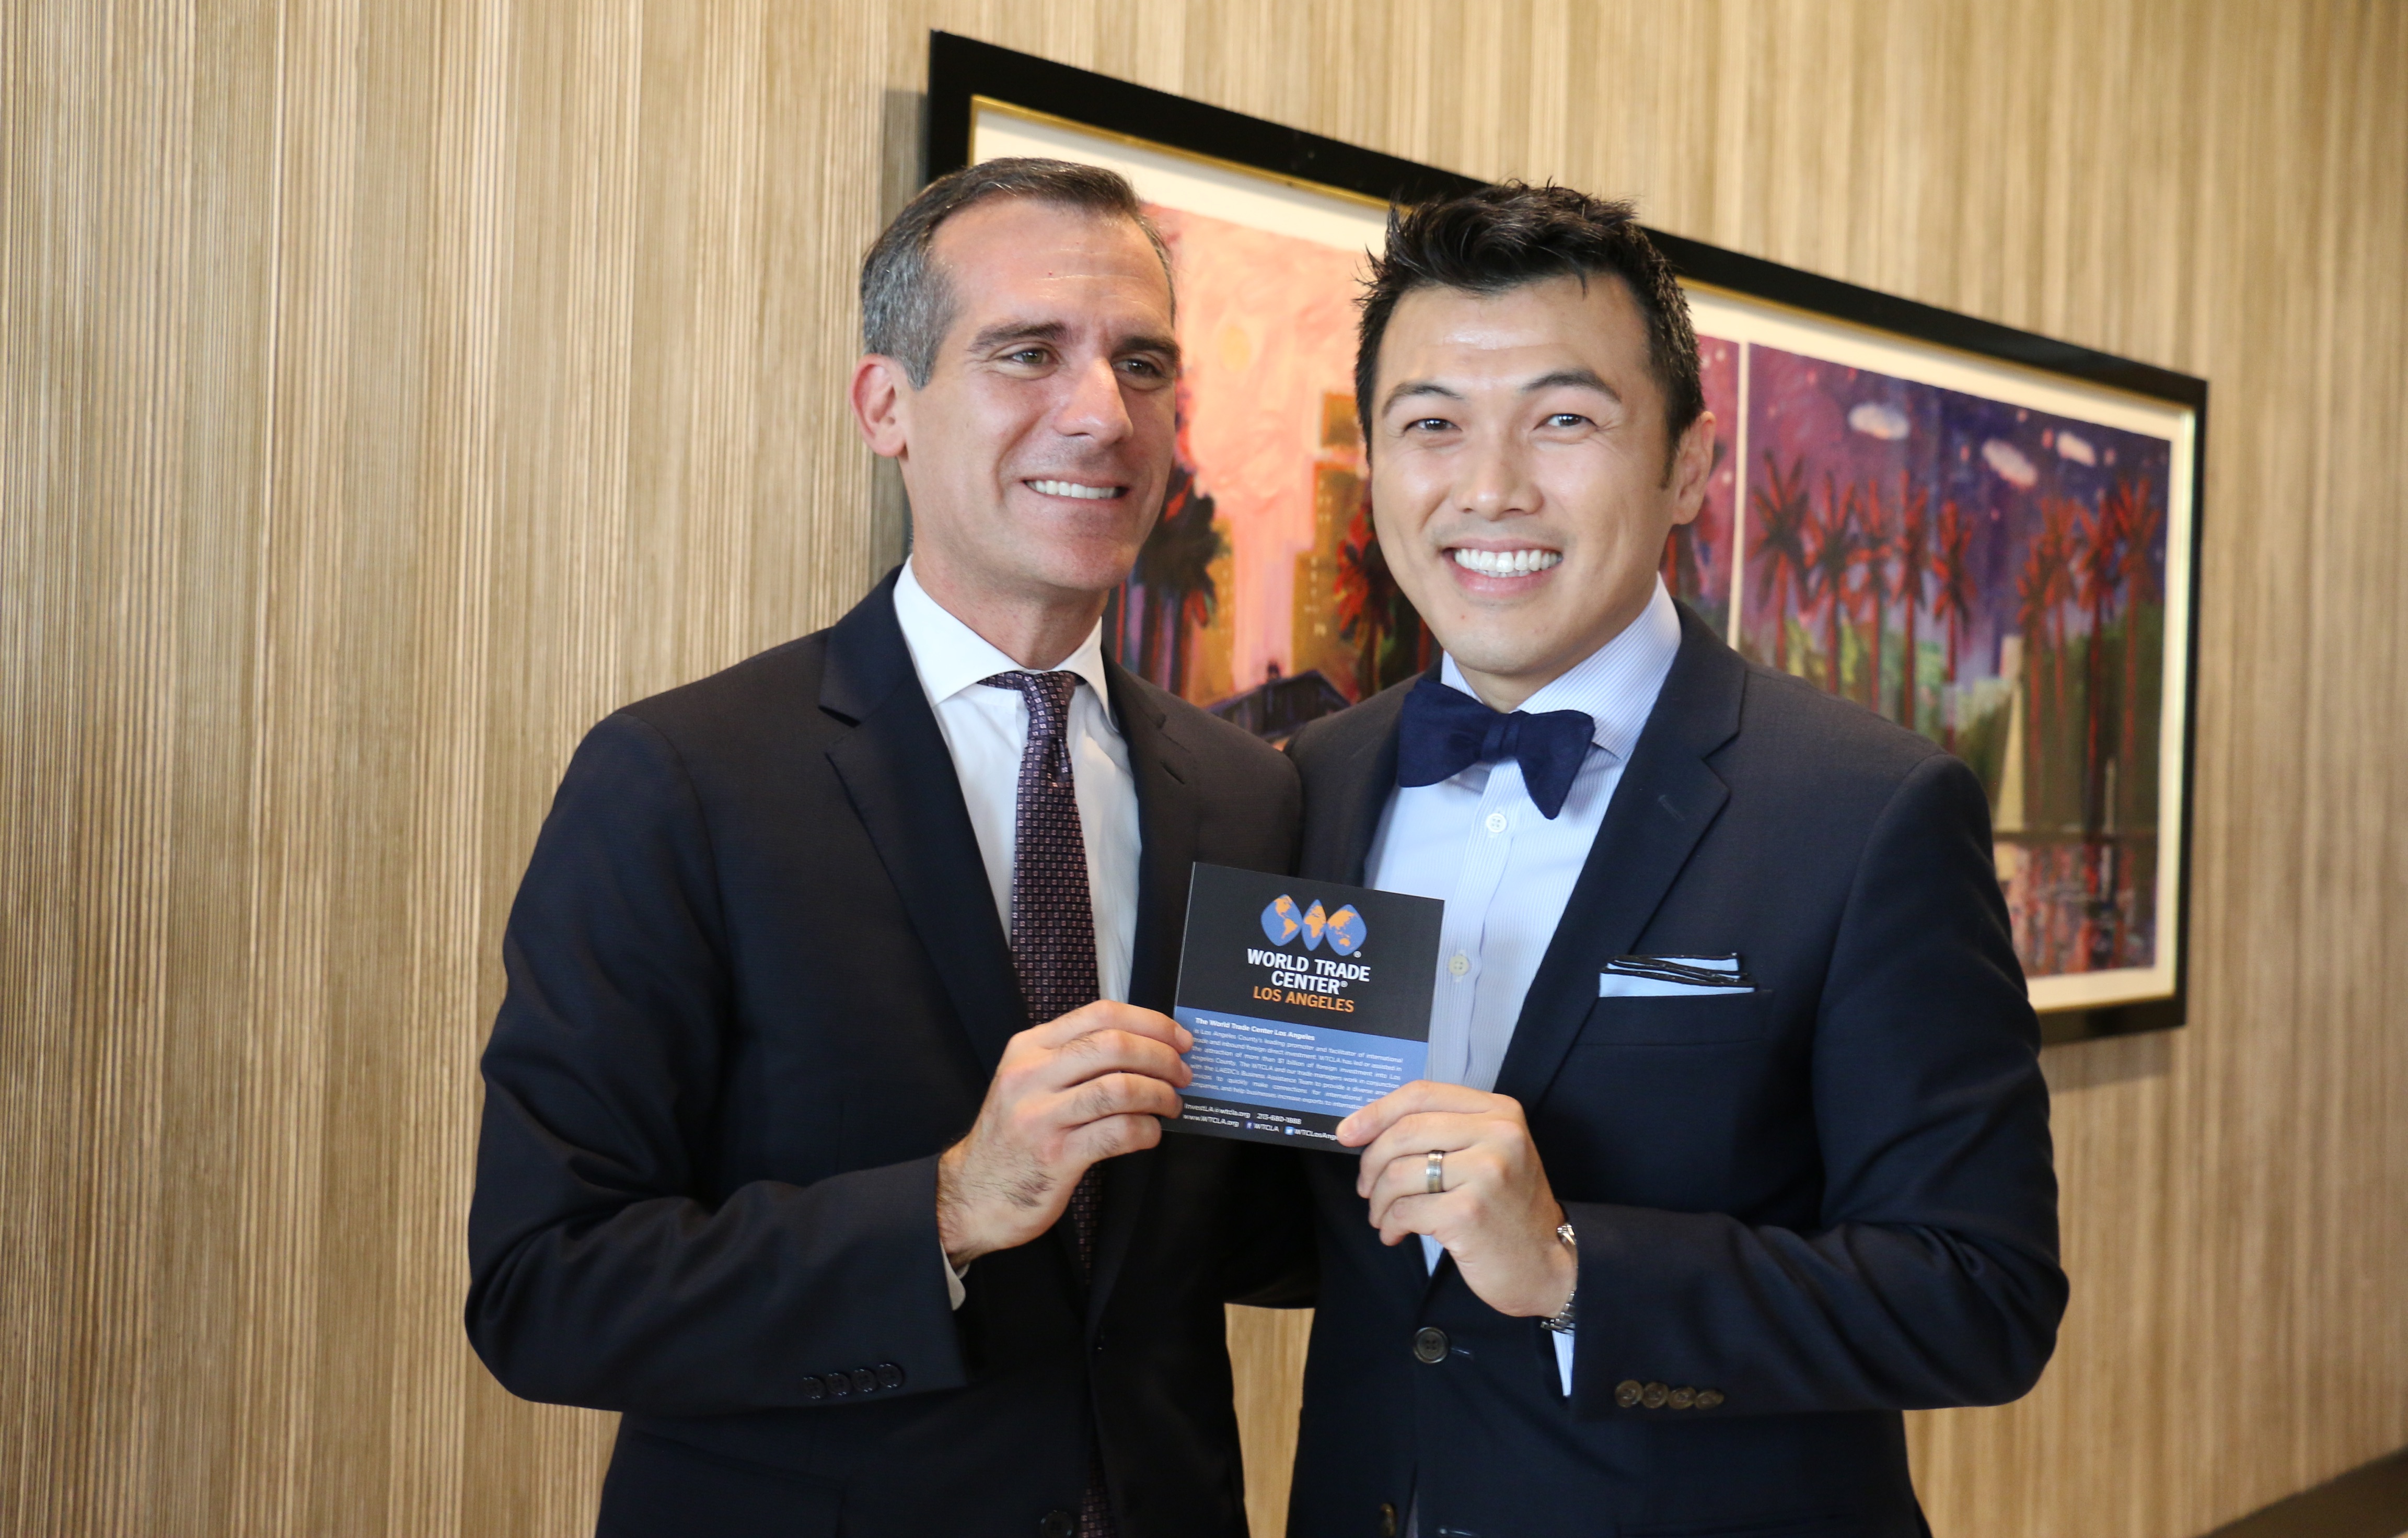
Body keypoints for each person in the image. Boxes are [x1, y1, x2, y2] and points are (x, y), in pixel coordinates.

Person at [466, 157, 1309, 1538]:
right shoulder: (682, 779)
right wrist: (950, 1206)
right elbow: (545, 1290)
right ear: (886, 407)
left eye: (1143, 363)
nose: (1101, 413)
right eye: (1026, 352)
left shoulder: (1245, 795)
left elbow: (1242, 1235)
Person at [1283, 183, 2066, 1538]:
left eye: (1565, 420)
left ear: (1690, 466)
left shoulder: (1869, 810)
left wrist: (1575, 1269)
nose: (1490, 487)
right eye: (1432, 425)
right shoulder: (1309, 781)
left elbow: (1980, 1299)